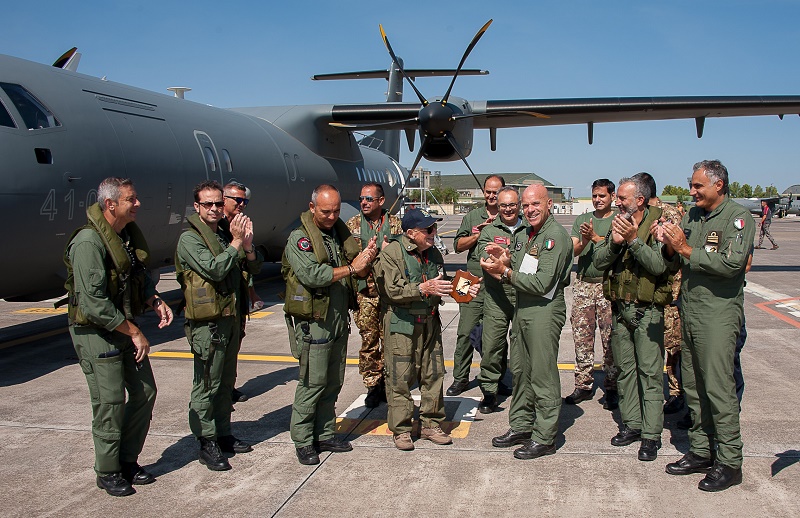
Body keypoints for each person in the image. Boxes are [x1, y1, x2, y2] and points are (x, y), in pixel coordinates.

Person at [64, 177, 173, 496]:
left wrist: (154, 299)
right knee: (110, 400)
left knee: (145, 392)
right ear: (110, 204)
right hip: (96, 331)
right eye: (131, 199)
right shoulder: (88, 242)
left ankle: (127, 460)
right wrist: (135, 331)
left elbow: (137, 276)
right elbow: (93, 303)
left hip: (121, 325)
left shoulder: (124, 237)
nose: (138, 203)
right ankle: (108, 470)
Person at [658, 159, 754, 492]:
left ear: (719, 185)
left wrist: (685, 248)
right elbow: (674, 258)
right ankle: (701, 450)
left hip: (718, 314)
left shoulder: (738, 218)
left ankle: (730, 460)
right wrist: (668, 243)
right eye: (692, 184)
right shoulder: (693, 215)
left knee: (718, 388)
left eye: (698, 185)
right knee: (694, 385)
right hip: (691, 310)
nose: (692, 191)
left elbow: (731, 263)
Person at [282, 184, 377, 465]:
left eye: (336, 211)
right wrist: (352, 268)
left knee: (333, 381)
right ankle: (303, 440)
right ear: (312, 207)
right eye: (326, 211)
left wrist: (365, 258)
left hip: (336, 318)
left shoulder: (335, 233)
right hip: (315, 321)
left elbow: (354, 265)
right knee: (312, 383)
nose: (332, 216)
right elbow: (312, 275)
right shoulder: (300, 239)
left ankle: (324, 433)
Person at [175, 180, 263, 471]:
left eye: (217, 203)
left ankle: (223, 432)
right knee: (207, 384)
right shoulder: (190, 240)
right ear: (197, 207)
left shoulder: (224, 235)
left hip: (229, 320)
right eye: (208, 204)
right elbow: (215, 269)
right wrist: (237, 243)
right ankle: (206, 441)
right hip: (208, 325)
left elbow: (253, 267)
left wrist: (247, 247)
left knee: (226, 381)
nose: (214, 209)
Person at [374, 208, 480, 450]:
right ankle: (401, 429)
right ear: (411, 233)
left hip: (430, 323)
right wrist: (422, 289)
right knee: (400, 377)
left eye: (434, 228)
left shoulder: (433, 254)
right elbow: (391, 291)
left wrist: (467, 288)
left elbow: (442, 284)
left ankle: (431, 424)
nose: (433, 232)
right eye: (428, 229)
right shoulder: (392, 254)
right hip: (402, 325)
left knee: (433, 374)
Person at [480, 185, 573, 460]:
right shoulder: (527, 234)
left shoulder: (554, 237)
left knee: (542, 374)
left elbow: (543, 283)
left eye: (536, 204)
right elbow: (521, 267)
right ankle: (521, 425)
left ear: (549, 204)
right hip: (523, 309)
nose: (530, 210)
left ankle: (544, 437)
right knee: (520, 370)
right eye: (526, 205)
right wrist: (505, 258)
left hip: (543, 310)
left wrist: (505, 272)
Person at [594, 177, 678, 462]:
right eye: (617, 198)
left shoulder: (659, 223)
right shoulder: (618, 223)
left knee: (650, 374)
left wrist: (633, 240)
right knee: (626, 370)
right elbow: (599, 261)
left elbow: (659, 266)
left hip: (647, 311)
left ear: (640, 200)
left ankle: (651, 435)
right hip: (621, 310)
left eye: (622, 198)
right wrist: (615, 244)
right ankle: (631, 424)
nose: (617, 202)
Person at [448, 175, 509, 396]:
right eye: (488, 192)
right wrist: (478, 234)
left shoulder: (509, 216)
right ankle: (460, 378)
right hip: (469, 279)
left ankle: (497, 378)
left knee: (496, 335)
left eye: (496, 192)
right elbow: (457, 245)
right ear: (483, 192)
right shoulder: (472, 216)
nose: (491, 196)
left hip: (496, 282)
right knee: (465, 331)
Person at [345, 182, 403, 408]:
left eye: (369, 199)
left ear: (381, 201)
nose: (364, 202)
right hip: (365, 293)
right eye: (361, 198)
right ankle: (372, 384)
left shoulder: (396, 225)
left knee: (390, 340)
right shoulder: (353, 225)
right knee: (369, 340)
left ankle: (389, 382)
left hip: (390, 293)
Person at [633, 172, 685, 415]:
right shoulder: (640, 214)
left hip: (670, 290)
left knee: (672, 345)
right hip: (649, 290)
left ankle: (676, 392)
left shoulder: (668, 214)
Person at [474, 186, 529, 413]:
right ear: (497, 206)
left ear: (519, 205)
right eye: (503, 205)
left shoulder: (530, 228)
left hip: (522, 295)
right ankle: (489, 391)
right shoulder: (489, 230)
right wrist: (503, 263)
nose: (508, 209)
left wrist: (506, 260)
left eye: (512, 205)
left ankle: (522, 388)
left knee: (522, 346)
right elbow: (485, 260)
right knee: (492, 346)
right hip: (496, 297)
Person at [566, 178, 618, 409]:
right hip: (584, 285)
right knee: (582, 338)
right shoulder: (582, 220)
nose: (597, 200)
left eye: (602, 196)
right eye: (595, 196)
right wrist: (585, 239)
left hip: (608, 286)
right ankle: (583, 384)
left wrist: (597, 238)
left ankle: (612, 386)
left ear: (612, 197)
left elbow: (616, 249)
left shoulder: (618, 220)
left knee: (610, 339)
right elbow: (574, 250)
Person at [221, 181, 255, 404]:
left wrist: (248, 246)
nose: (242, 204)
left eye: (245, 201)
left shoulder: (241, 225)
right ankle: (218, 390)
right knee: (219, 349)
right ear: (224, 199)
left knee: (235, 344)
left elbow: (251, 267)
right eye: (238, 200)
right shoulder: (216, 228)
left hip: (237, 299)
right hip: (221, 299)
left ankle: (229, 386)